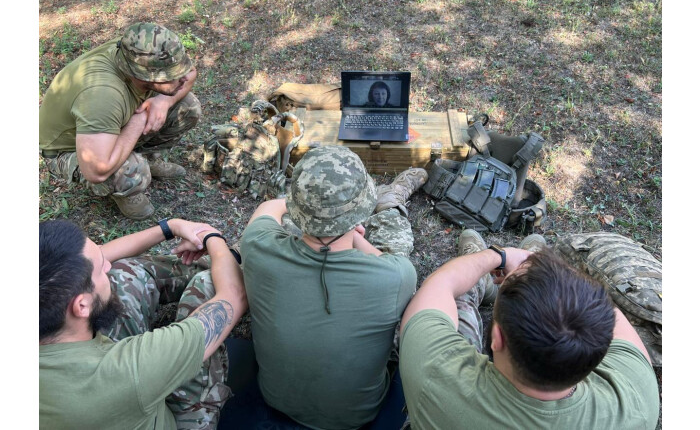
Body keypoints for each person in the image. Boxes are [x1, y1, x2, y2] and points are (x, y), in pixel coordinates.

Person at [240, 145, 427, 429]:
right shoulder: (397, 277)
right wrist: (353, 235)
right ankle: (390, 203)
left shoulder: (256, 246)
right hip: (358, 417)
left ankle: (382, 202)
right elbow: (386, 261)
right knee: (394, 239)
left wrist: (313, 208)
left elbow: (267, 209)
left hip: (275, 401)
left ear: (296, 204)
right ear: (361, 209)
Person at [399, 230, 660, 429]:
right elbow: (612, 317)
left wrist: (499, 256)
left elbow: (441, 283)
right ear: (602, 349)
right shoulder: (636, 403)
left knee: (457, 298)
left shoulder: (433, 377)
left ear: (497, 338)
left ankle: (478, 276)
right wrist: (548, 274)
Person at [39, 217, 247, 429]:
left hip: (115, 403)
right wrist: (215, 240)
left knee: (123, 274)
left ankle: (218, 265)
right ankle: (236, 264)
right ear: (81, 306)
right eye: (101, 269)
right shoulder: (126, 371)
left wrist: (171, 227)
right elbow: (233, 297)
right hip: (164, 413)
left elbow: (96, 257)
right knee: (208, 284)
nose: (107, 265)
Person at [39, 22, 201, 220]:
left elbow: (191, 73)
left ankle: (150, 159)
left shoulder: (144, 51)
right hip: (69, 150)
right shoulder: (102, 96)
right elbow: (96, 170)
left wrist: (163, 101)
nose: (184, 77)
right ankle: (126, 189)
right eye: (174, 75)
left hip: (109, 124)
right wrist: (139, 119)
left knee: (188, 106)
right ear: (145, 76)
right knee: (131, 168)